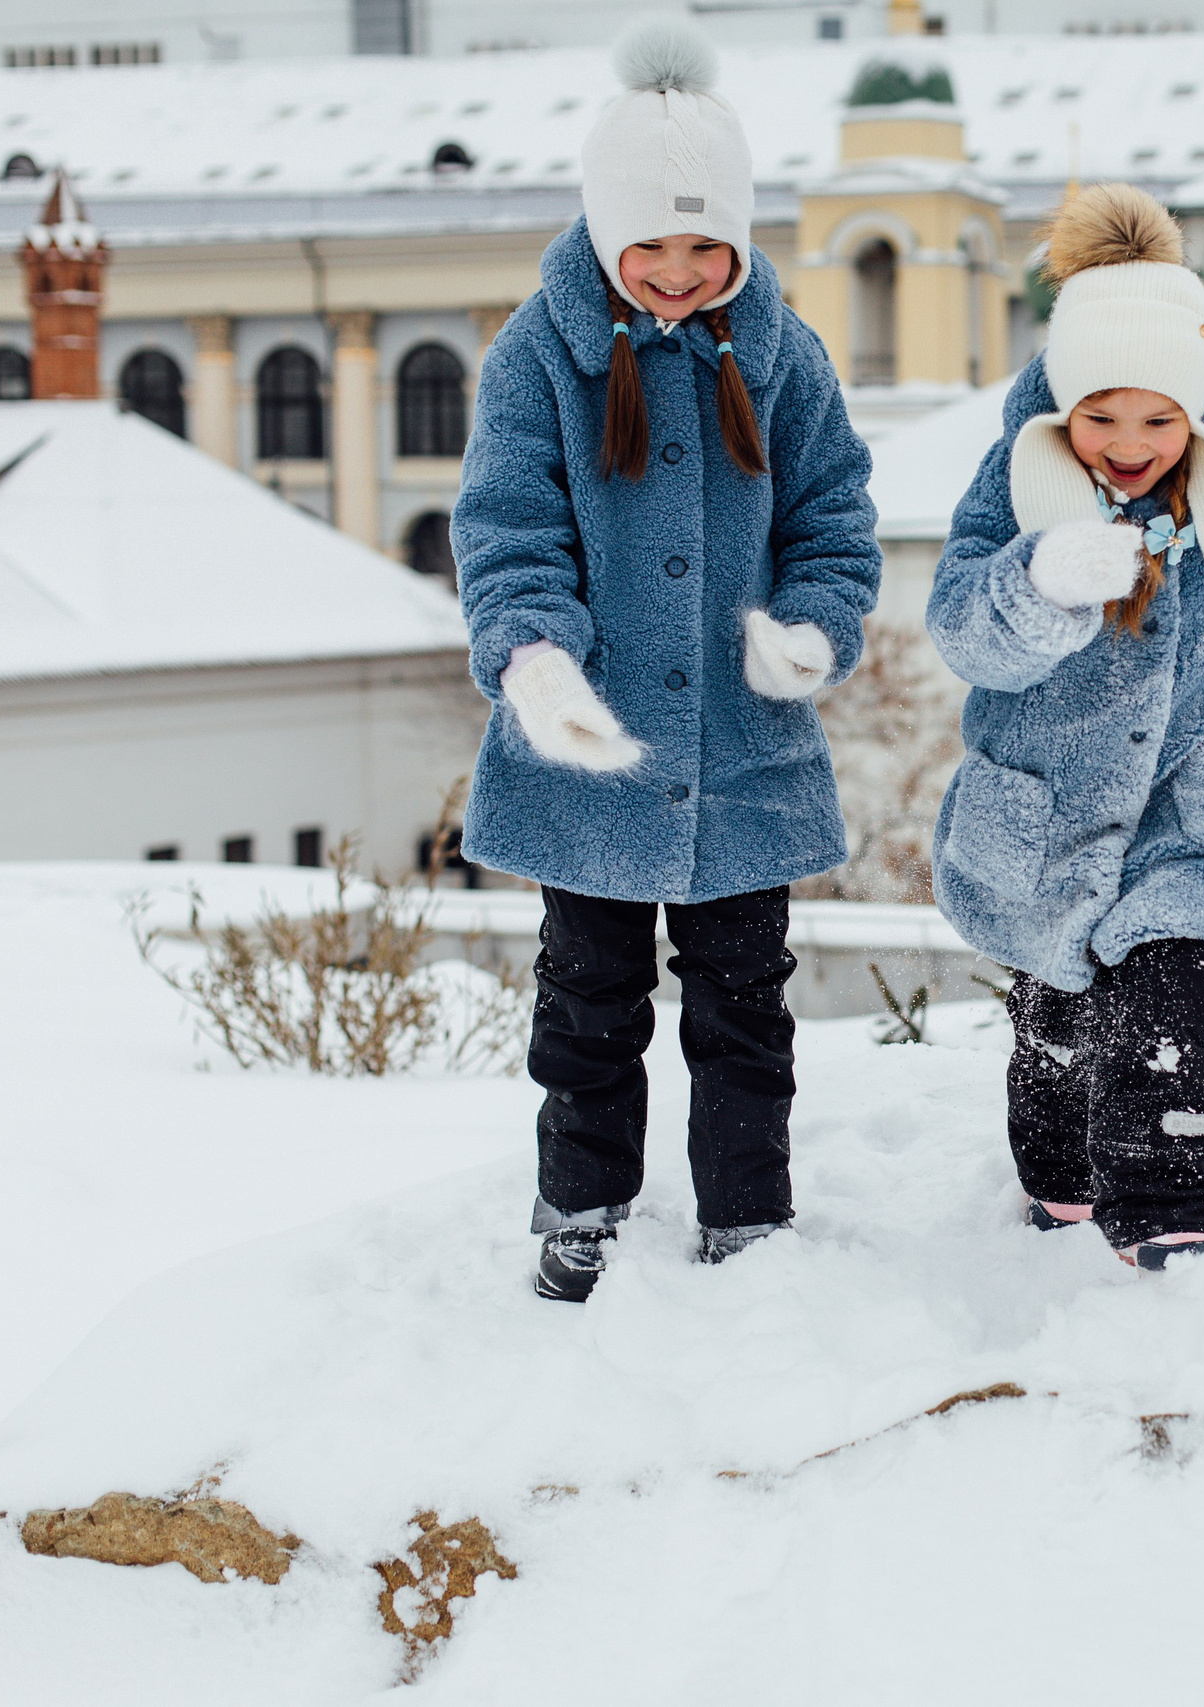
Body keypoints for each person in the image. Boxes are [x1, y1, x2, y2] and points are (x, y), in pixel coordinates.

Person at [453, 20, 880, 1299]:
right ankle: (581, 1202)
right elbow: (509, 526)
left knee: (744, 1004)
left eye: (708, 244)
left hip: (744, 753)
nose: (681, 270)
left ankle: (747, 1211)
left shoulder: (784, 355)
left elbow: (834, 517)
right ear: (602, 233)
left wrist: (815, 625)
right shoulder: (539, 357)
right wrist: (535, 658)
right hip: (590, 752)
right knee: (588, 1002)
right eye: (653, 244)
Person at [925, 185, 1204, 1269]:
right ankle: (1056, 1185)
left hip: (1186, 808)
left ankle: (1167, 1216)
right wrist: (1038, 583)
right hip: (1044, 815)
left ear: (1195, 413)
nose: (1129, 443)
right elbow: (960, 627)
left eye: (1159, 420)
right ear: (1063, 406)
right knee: (1053, 1032)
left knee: (1164, 1017)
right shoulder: (1015, 483)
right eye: (1101, 418)